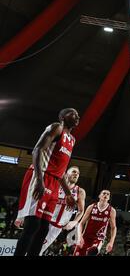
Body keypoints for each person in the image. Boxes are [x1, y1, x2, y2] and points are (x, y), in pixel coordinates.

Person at [14, 108, 80, 256]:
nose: (78, 116)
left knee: (44, 229)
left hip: (54, 182)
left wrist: (69, 194)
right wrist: (39, 179)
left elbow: (61, 171)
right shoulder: (57, 127)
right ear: (62, 116)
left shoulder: (72, 140)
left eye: (78, 115)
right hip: (41, 175)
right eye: (73, 113)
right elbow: (37, 150)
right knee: (32, 225)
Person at [39, 166, 86, 255]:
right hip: (45, 221)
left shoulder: (80, 191)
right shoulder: (57, 185)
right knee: (34, 246)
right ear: (66, 173)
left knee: (40, 249)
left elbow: (81, 211)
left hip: (57, 227)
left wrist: (74, 222)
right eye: (74, 172)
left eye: (78, 173)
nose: (76, 174)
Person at [73, 190, 117, 256]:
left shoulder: (111, 210)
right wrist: (80, 237)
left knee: (92, 251)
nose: (106, 195)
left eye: (108, 194)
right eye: (104, 193)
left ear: (109, 198)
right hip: (86, 237)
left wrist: (111, 242)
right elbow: (81, 223)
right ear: (99, 196)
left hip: (98, 239)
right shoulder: (91, 207)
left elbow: (113, 228)